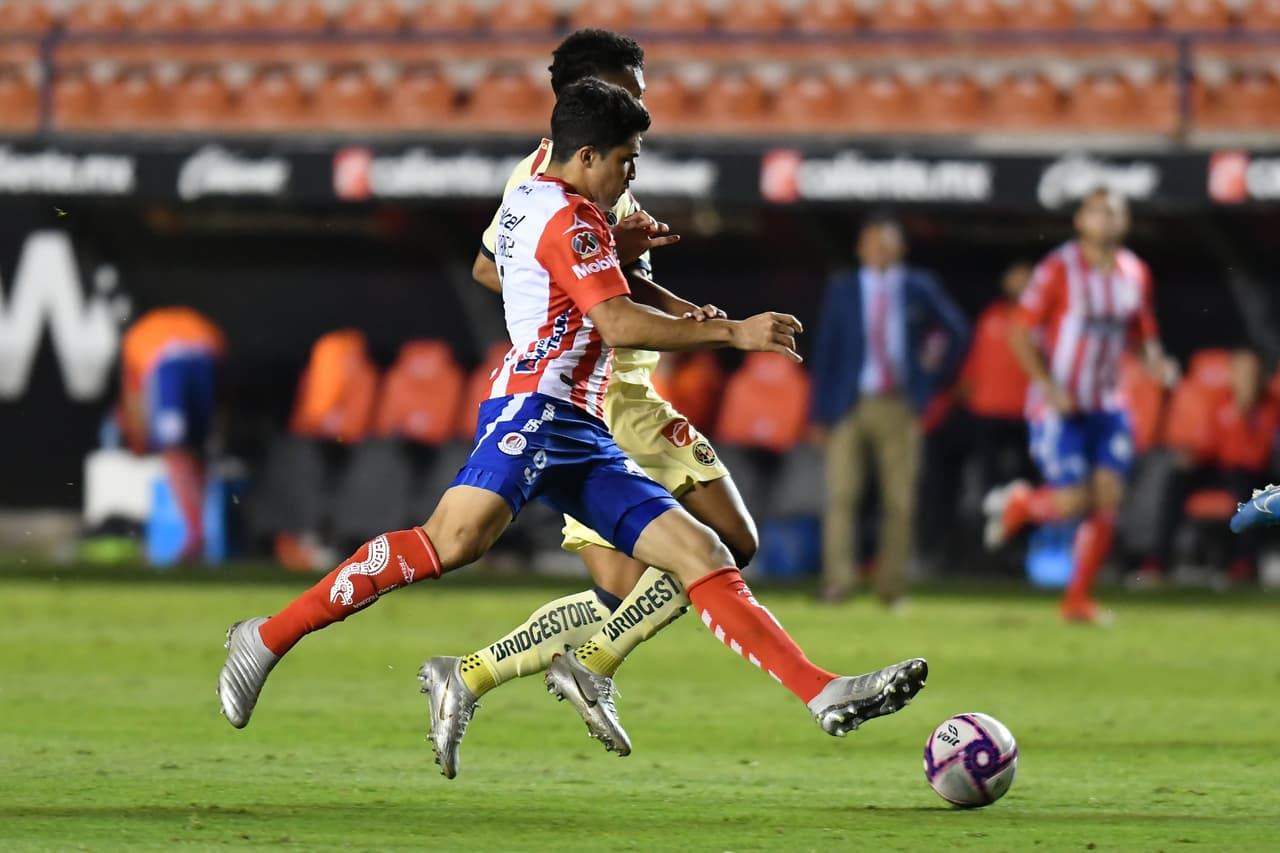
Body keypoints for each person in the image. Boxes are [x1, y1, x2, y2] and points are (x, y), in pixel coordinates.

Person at [217, 81, 927, 772]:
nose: (631, 175)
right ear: (588, 156)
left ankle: (821, 690)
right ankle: (268, 636)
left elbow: (528, 269)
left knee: (706, 551)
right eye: (626, 160)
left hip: (581, 428)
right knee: (451, 542)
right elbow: (613, 320)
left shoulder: (532, 194)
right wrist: (733, 332)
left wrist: (618, 249)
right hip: (535, 410)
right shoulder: (572, 217)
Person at [418, 29, 763, 778]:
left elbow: (609, 272)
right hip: (595, 395)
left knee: (707, 555)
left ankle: (481, 673)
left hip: (636, 386)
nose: (642, 99)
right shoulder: (541, 176)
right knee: (649, 580)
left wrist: (675, 305)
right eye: (628, 85)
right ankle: (531, 670)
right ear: (586, 90)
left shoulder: (607, 164)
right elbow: (493, 267)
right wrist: (589, 300)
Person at [982, 187, 1174, 623]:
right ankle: (1022, 505)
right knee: (1072, 501)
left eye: (1115, 212)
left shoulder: (1135, 272)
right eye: (1097, 212)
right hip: (1059, 404)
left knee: (1108, 497)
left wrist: (1157, 363)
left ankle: (1077, 599)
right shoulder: (1058, 268)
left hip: (1108, 404)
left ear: (1125, 222)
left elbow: (1142, 335)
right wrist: (1048, 386)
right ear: (1080, 221)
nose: (1106, 220)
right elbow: (1019, 331)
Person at [810, 213, 969, 604]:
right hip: (849, 404)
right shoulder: (844, 288)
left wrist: (931, 372)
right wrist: (818, 414)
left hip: (899, 403)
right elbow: (825, 352)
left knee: (899, 499)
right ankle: (838, 581)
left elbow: (955, 331)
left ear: (901, 248)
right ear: (860, 248)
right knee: (842, 495)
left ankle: (892, 585)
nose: (880, 251)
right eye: (873, 243)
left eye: (887, 243)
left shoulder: (918, 286)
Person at [117, 306, 225, 560]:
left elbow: (133, 397)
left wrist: (139, 440)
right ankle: (200, 531)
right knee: (196, 451)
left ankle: (195, 533)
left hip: (169, 365)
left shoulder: (138, 336)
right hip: (207, 356)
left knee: (174, 451)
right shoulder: (197, 322)